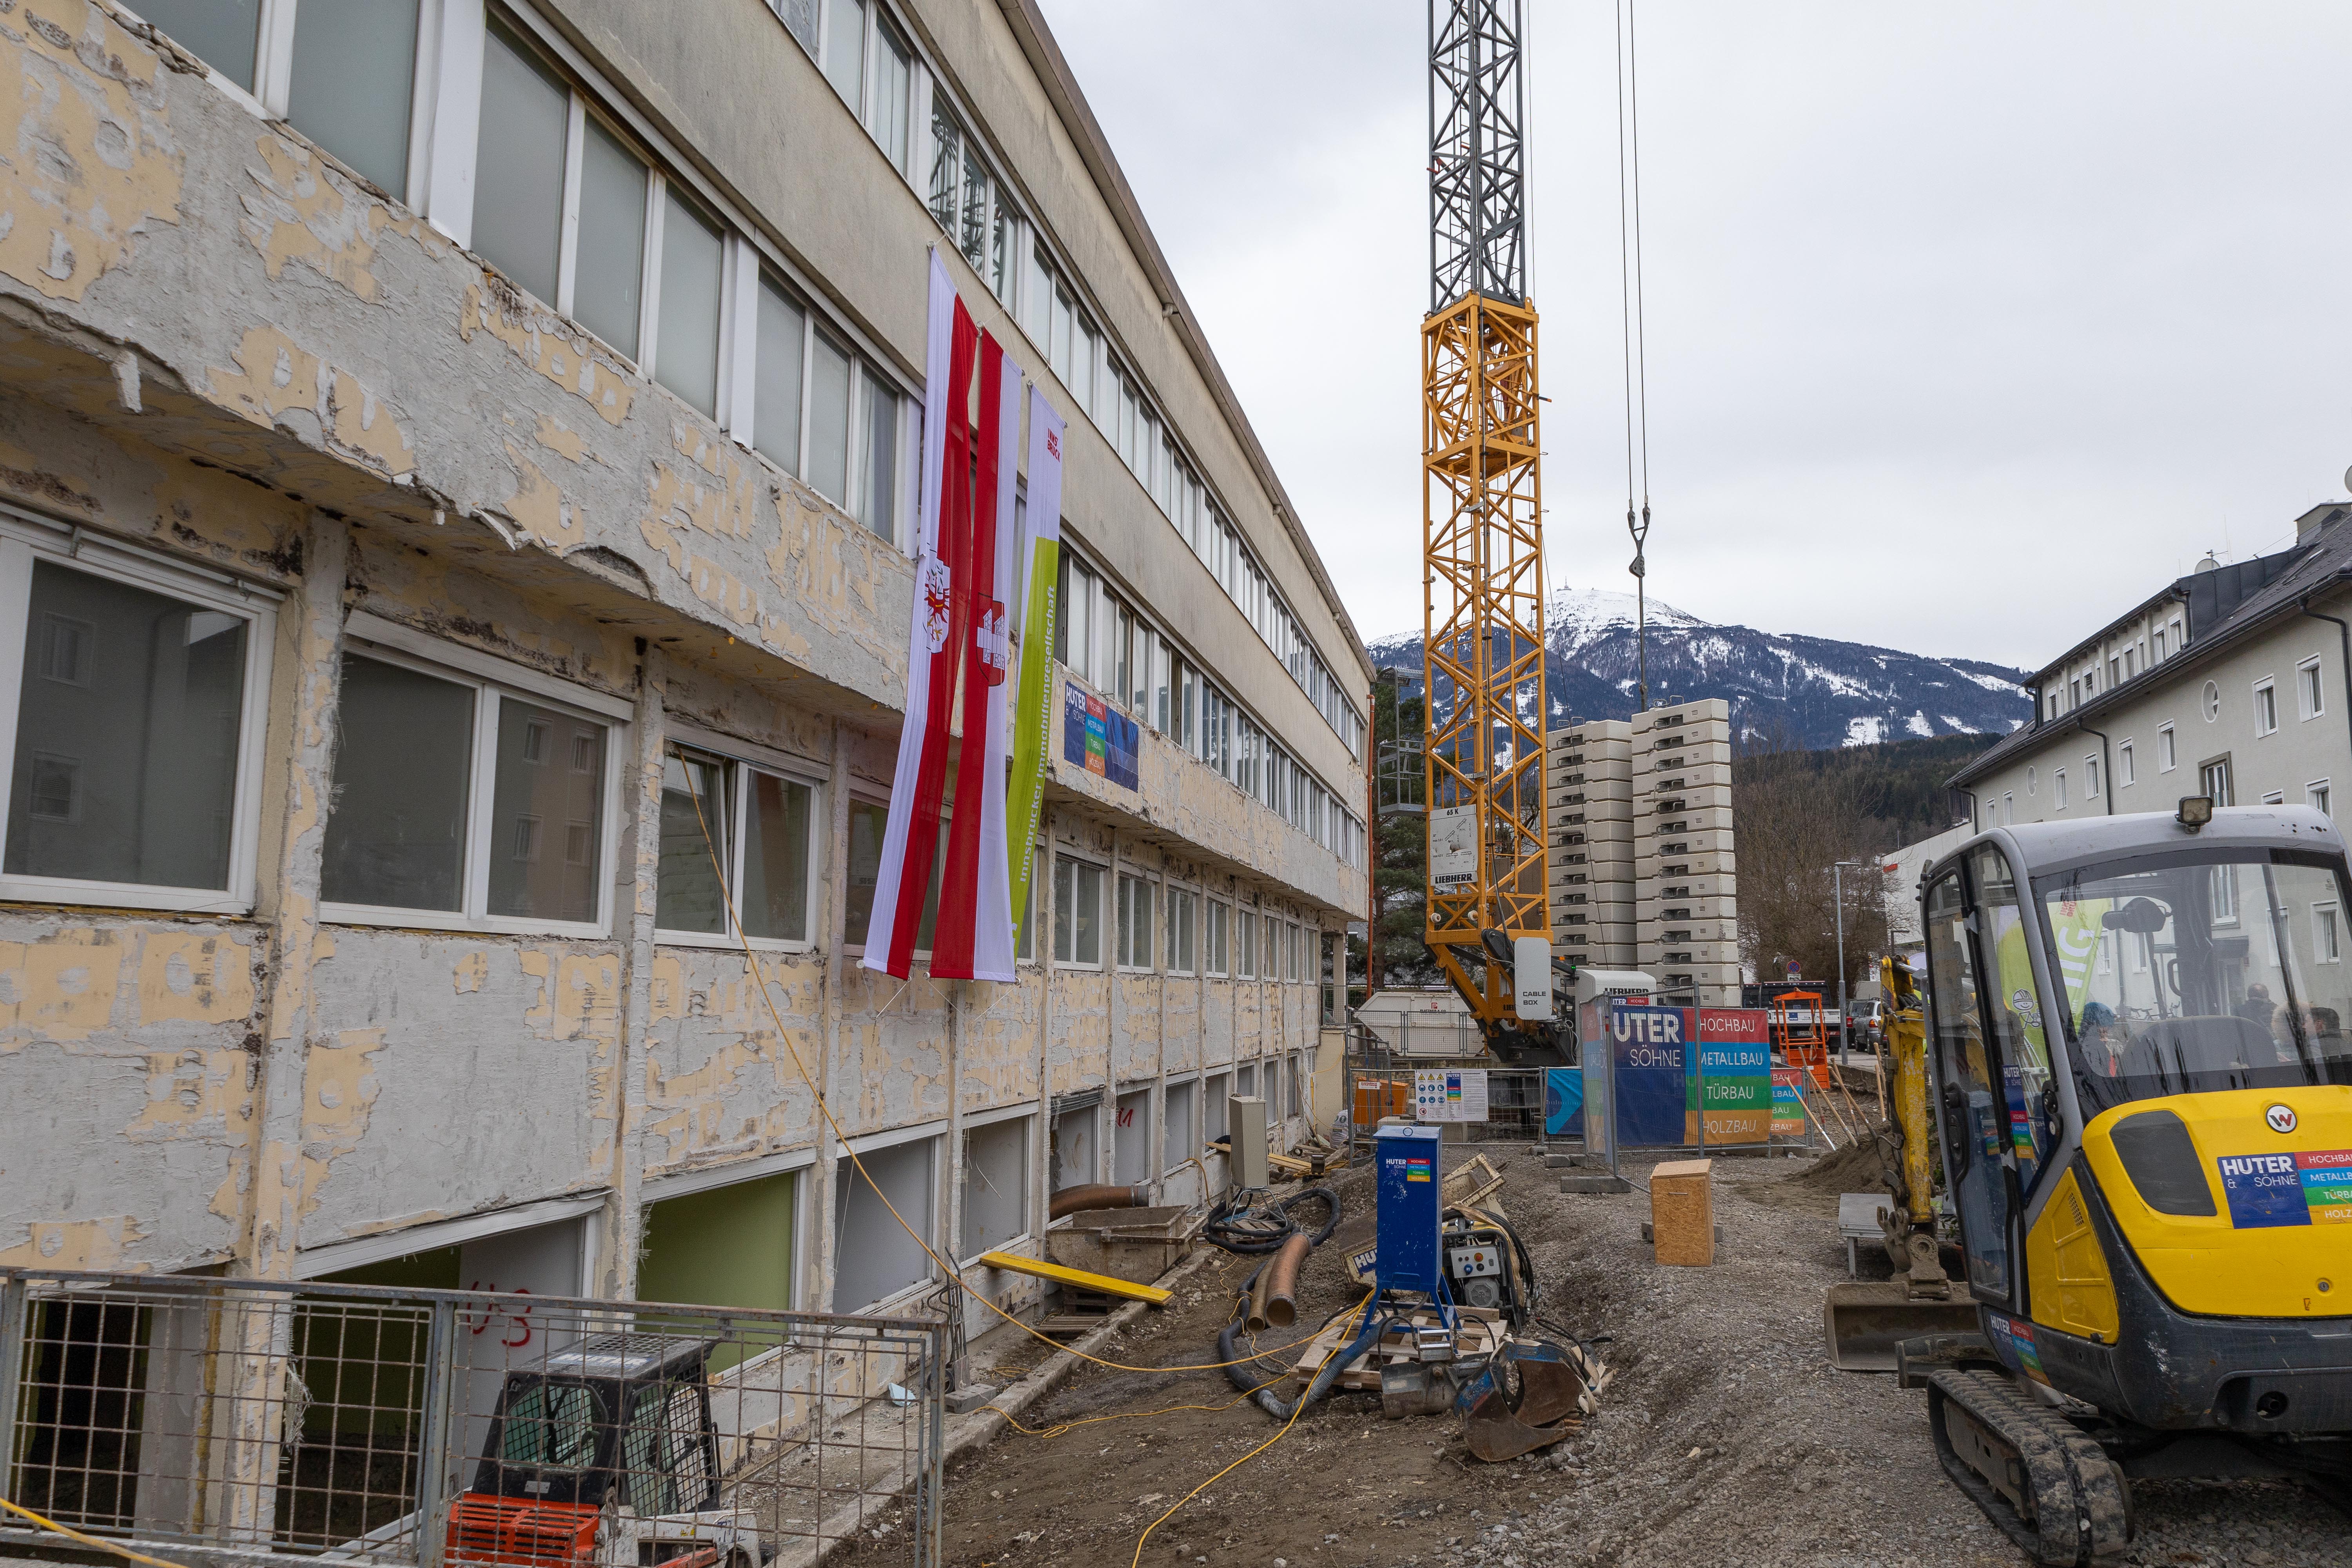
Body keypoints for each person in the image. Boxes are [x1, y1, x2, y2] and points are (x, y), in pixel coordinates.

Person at [2078, 1001, 2126, 1076]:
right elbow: (2103, 1078)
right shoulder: (2097, 1047)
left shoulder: (2078, 1039)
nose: (2108, 1030)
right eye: (2107, 1026)